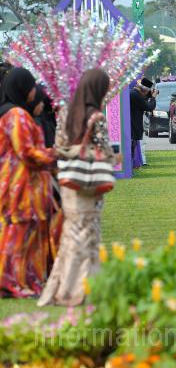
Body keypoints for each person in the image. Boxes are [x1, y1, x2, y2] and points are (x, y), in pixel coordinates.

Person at [38, 69, 118, 307]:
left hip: (70, 183)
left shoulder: (65, 114)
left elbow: (58, 146)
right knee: (88, 237)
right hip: (89, 185)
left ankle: (62, 287)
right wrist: (112, 158)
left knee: (70, 235)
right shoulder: (97, 118)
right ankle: (83, 289)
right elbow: (104, 152)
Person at [0, 68, 57, 298]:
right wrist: (57, 155)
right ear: (23, 88)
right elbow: (28, 152)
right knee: (19, 237)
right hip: (21, 187)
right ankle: (13, 284)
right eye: (32, 86)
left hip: (18, 185)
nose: (34, 92)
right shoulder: (17, 115)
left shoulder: (11, 113)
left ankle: (22, 282)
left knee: (19, 236)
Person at [130, 78, 157, 168]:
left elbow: (142, 102)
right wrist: (153, 97)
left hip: (132, 124)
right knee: (132, 146)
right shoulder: (136, 95)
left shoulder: (134, 93)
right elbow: (149, 107)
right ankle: (130, 166)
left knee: (132, 146)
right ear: (144, 90)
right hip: (133, 125)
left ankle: (131, 165)